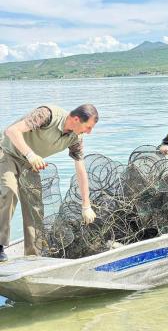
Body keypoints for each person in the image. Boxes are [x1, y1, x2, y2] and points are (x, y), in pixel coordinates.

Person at [0, 103, 99, 261]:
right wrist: (31, 155)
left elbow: (81, 170)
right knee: (8, 192)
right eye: (88, 127)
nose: (89, 132)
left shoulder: (76, 138)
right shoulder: (47, 114)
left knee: (35, 208)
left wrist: (86, 205)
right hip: (7, 153)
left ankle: (33, 256)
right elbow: (11, 131)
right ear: (76, 119)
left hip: (30, 164)